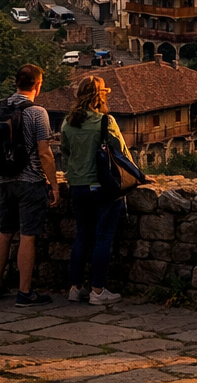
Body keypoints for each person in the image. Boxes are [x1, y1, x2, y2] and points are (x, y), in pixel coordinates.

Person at [0, 63, 59, 306]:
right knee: (27, 236)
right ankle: (25, 292)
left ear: (16, 83)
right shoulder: (38, 113)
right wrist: (54, 185)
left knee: (4, 231)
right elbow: (44, 153)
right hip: (30, 182)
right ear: (37, 85)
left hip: (3, 181)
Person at [60, 76, 132, 306]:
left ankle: (75, 288)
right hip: (103, 187)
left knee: (82, 237)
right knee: (103, 238)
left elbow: (66, 151)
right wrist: (137, 176)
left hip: (78, 186)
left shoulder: (67, 123)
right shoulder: (105, 121)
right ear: (100, 96)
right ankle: (98, 291)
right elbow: (120, 151)